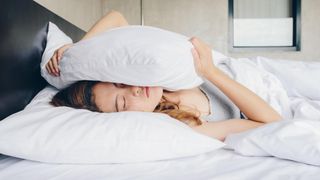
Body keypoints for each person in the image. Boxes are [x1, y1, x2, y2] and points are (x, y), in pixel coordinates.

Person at [46, 10, 282, 142]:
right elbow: (272, 123)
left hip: (249, 68)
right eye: (123, 102)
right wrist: (210, 72)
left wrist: (78, 51)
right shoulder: (184, 124)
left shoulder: (158, 70)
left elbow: (116, 18)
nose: (134, 88)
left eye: (121, 81)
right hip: (266, 94)